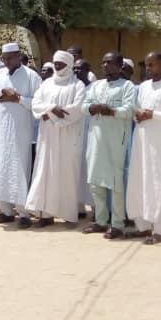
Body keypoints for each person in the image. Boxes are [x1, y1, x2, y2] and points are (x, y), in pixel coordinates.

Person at [126, 52, 161, 245]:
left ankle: (158, 230)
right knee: (140, 182)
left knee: (158, 184)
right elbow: (138, 110)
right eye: (147, 65)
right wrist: (139, 116)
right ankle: (143, 227)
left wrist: (153, 115)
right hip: (142, 141)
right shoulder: (142, 87)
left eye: (153, 65)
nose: (149, 69)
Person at [0, 42, 42, 227]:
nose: (7, 61)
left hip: (20, 132)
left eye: (10, 58)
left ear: (18, 56)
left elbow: (38, 103)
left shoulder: (31, 76)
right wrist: (2, 92)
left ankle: (23, 214)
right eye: (4, 58)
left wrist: (17, 98)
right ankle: (6, 211)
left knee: (19, 168)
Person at [25, 51, 86, 225]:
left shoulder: (78, 85)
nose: (58, 67)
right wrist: (52, 109)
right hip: (48, 137)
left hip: (68, 135)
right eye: (56, 64)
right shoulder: (46, 84)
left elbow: (77, 109)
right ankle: (45, 214)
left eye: (61, 64)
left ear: (69, 66)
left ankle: (68, 214)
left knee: (67, 173)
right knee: (45, 172)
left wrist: (50, 114)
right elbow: (36, 104)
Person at [82, 52, 136, 239]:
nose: (104, 65)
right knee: (95, 181)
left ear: (120, 65)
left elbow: (129, 110)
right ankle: (100, 220)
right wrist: (92, 108)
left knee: (115, 183)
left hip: (116, 141)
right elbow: (84, 106)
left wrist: (110, 111)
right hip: (95, 139)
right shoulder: (96, 86)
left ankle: (118, 224)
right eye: (103, 62)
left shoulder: (127, 86)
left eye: (109, 62)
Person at [74, 59, 93, 217]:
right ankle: (78, 208)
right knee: (76, 171)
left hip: (91, 136)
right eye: (74, 69)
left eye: (79, 69)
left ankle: (94, 209)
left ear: (88, 70)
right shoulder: (73, 87)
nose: (76, 72)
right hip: (74, 136)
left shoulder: (95, 88)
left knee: (90, 172)